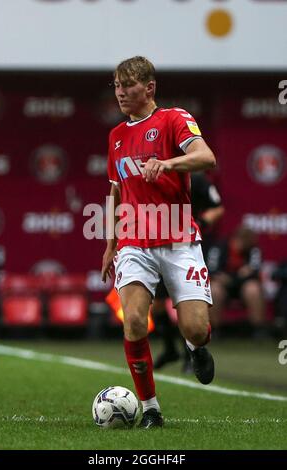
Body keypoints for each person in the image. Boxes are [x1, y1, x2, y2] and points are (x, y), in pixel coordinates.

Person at [101, 56, 216, 429]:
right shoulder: (116, 136)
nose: (120, 92)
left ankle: (195, 347)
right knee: (133, 321)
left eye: (127, 85)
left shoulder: (173, 119)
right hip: (134, 241)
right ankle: (150, 408)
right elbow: (115, 194)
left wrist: (168, 163)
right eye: (116, 86)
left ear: (149, 88)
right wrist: (109, 244)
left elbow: (206, 157)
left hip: (179, 237)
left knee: (196, 328)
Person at [153, 172, 224, 372]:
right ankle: (169, 349)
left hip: (189, 246)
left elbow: (217, 208)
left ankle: (190, 354)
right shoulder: (159, 173)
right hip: (161, 244)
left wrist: (201, 223)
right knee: (157, 306)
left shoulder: (198, 179)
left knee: (186, 305)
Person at [206, 225, 267, 337]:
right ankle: (215, 330)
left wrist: (236, 277)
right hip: (223, 285)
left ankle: (259, 329)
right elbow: (212, 270)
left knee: (253, 289)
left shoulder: (253, 249)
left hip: (244, 285)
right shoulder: (219, 247)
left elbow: (254, 270)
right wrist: (230, 277)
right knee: (214, 289)